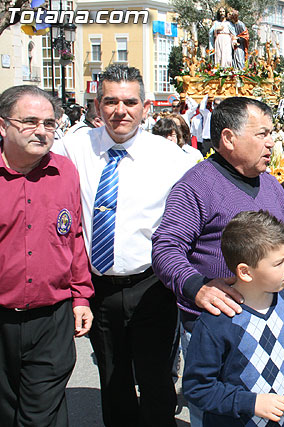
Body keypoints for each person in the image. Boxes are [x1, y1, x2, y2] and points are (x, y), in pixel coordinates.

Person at [151, 96, 284, 427]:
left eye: (271, 133)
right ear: (229, 138)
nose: (271, 141)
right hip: (215, 323)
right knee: (221, 412)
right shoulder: (196, 185)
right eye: (262, 133)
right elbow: (166, 247)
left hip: (270, 319)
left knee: (273, 405)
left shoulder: (270, 184)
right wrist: (197, 287)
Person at [54, 64, 194, 427]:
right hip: (97, 287)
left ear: (146, 107)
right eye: (111, 101)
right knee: (112, 378)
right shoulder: (72, 148)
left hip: (152, 287)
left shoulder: (171, 159)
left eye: (130, 102)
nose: (121, 110)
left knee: (156, 379)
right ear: (98, 106)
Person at [0, 85, 94, 426]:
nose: (41, 130)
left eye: (49, 123)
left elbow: (74, 238)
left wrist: (81, 297)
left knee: (43, 412)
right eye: (29, 121)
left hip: (51, 317)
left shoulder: (65, 172)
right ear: (2, 126)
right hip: (2, 315)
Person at [182, 211, 284, 427]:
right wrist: (250, 403)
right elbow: (198, 387)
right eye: (278, 263)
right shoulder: (217, 321)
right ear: (245, 272)